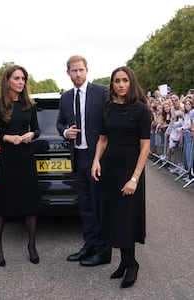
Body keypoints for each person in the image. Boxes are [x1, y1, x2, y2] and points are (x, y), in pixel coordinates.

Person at [91, 66, 151, 288]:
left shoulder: (141, 110)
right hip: (110, 169)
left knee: (127, 218)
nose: (121, 84)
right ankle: (125, 262)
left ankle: (132, 264)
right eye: (117, 81)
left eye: (125, 80)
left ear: (131, 82)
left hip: (130, 170)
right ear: (112, 84)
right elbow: (103, 139)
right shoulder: (107, 108)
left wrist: (135, 178)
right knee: (115, 216)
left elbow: (145, 147)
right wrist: (96, 160)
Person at [0, 64, 42, 267]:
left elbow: (37, 129)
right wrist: (6, 137)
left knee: (30, 204)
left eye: (23, 79)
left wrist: (31, 135)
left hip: (26, 158)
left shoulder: (29, 104)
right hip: (8, 158)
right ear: (7, 81)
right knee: (3, 205)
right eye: (17, 78)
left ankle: (32, 245)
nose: (21, 82)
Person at [56, 55, 111, 267]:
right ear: (68, 72)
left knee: (99, 205)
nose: (78, 74)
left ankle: (103, 251)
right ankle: (89, 245)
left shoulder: (102, 92)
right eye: (74, 71)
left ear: (87, 70)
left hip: (97, 158)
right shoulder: (66, 97)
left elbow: (112, 121)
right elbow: (60, 122)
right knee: (85, 206)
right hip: (77, 157)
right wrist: (65, 131)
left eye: (81, 70)